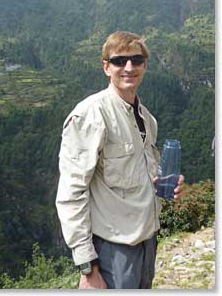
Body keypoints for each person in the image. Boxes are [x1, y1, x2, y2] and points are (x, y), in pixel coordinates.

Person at [56, 31, 184, 289]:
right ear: (106, 67)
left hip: (147, 242)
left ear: (145, 65)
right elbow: (72, 192)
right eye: (119, 61)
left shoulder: (146, 117)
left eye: (137, 60)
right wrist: (87, 266)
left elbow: (134, 172)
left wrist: (161, 183)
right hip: (112, 251)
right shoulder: (91, 115)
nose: (129, 67)